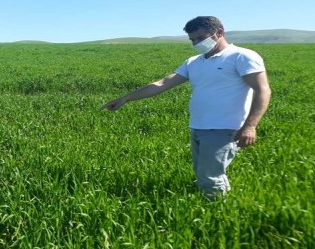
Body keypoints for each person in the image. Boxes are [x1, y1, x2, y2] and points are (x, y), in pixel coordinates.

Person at [101, 16, 271, 200]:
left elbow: (262, 90)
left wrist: (250, 126)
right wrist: (126, 98)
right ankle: (221, 201)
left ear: (219, 32)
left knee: (209, 177)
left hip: (224, 128)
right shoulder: (194, 62)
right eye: (192, 40)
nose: (196, 43)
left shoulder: (242, 56)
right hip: (198, 127)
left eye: (200, 38)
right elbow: (163, 83)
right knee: (205, 172)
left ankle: (214, 214)